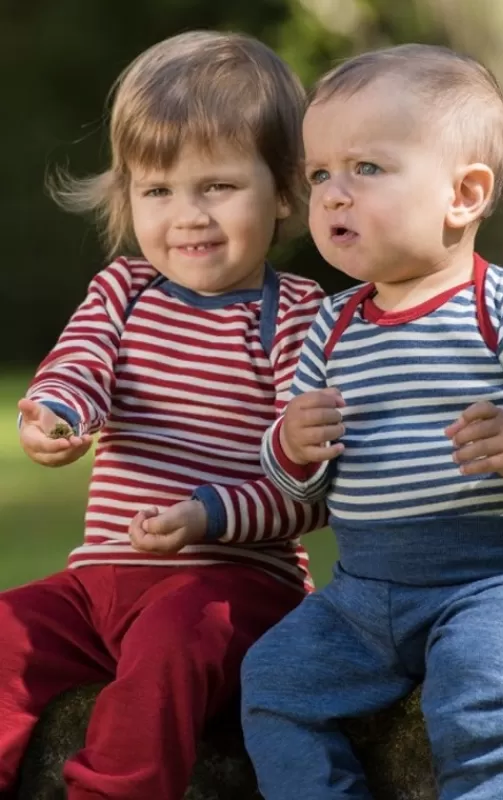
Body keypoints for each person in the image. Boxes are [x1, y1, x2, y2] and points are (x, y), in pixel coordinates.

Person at [241, 43, 503, 800]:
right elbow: (297, 485)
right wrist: (292, 445)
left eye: (366, 168)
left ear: (464, 194)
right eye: (318, 175)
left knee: (475, 672)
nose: (334, 194)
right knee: (272, 680)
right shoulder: (333, 326)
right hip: (365, 596)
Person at [1, 30, 326, 800]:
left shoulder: (299, 317)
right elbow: (78, 365)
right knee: (8, 632)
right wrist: (55, 415)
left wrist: (206, 517)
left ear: (282, 191)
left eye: (216, 186)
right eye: (158, 190)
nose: (188, 215)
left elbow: (305, 482)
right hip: (100, 585)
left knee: (178, 637)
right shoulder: (123, 290)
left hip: (231, 585)